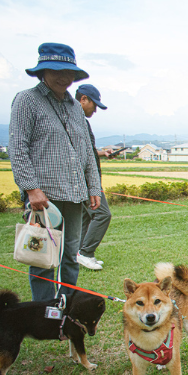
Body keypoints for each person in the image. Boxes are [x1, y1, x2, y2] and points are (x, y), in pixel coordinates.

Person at [9, 42, 102, 301]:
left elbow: (87, 152)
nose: (63, 77)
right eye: (55, 71)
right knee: (42, 256)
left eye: (68, 72)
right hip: (44, 197)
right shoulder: (27, 100)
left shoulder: (74, 107)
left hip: (75, 195)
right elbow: (17, 149)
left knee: (71, 255)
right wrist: (31, 189)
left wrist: (93, 187)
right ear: (43, 71)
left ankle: (67, 303)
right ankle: (43, 310)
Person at [74, 84, 112, 271]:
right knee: (103, 214)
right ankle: (85, 253)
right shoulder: (74, 120)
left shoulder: (80, 120)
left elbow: (87, 151)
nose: (95, 110)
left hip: (85, 178)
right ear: (83, 99)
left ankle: (78, 253)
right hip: (85, 179)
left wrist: (103, 154)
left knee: (86, 217)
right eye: (94, 105)